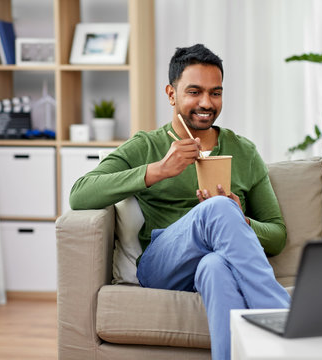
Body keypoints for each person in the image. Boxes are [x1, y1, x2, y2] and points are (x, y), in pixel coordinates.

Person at [69, 43, 290, 360]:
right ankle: (285, 322)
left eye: (215, 93)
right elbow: (80, 193)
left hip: (213, 263)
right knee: (217, 207)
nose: (206, 103)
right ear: (171, 94)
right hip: (161, 265)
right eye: (194, 92)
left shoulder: (244, 151)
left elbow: (278, 235)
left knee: (216, 266)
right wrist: (158, 170)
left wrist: (241, 221)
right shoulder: (147, 145)